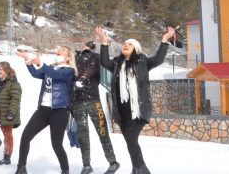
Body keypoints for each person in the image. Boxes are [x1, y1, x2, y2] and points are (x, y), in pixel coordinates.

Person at [97, 26, 174, 174]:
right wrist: (104, 42)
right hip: (122, 112)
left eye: (130, 44)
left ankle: (142, 170)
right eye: (125, 43)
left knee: (131, 140)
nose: (126, 45)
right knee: (130, 142)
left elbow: (158, 59)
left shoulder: (142, 62)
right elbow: (104, 61)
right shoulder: (117, 64)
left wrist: (164, 39)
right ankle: (136, 169)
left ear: (136, 48)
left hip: (138, 110)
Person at [14, 46, 77, 174]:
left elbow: (56, 74)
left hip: (60, 111)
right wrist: (28, 61)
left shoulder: (69, 70)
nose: (59, 50)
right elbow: (36, 74)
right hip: (43, 110)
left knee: (56, 144)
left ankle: (65, 170)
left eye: (63, 50)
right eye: (58, 49)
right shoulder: (49, 68)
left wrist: (40, 63)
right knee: (25, 136)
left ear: (68, 56)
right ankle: (21, 167)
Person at [72, 39, 120, 174]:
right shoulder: (74, 58)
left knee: (102, 131)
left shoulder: (95, 57)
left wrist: (81, 79)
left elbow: (91, 68)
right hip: (78, 102)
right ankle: (86, 164)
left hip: (94, 100)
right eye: (84, 45)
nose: (85, 47)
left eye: (88, 46)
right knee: (82, 135)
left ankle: (113, 162)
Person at [0, 61, 22, 166]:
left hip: (6, 114)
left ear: (6, 70)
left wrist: (11, 112)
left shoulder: (13, 83)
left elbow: (15, 99)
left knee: (7, 135)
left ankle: (7, 156)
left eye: (1, 69)